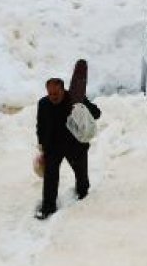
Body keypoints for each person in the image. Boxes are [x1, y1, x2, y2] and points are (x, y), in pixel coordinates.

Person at [35, 76, 101, 219]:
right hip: (53, 147)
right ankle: (48, 207)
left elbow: (97, 114)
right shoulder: (43, 104)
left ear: (63, 90)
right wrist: (41, 145)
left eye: (56, 93)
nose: (52, 97)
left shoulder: (75, 99)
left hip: (75, 145)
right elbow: (40, 126)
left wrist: (82, 105)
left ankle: (83, 196)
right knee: (50, 178)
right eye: (50, 93)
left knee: (81, 175)